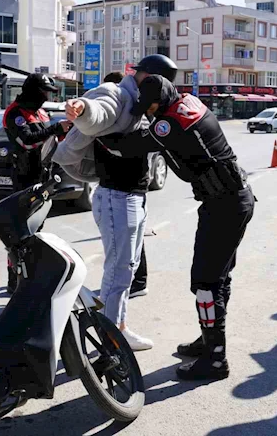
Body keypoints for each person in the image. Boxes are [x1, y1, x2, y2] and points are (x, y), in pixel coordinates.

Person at [96, 74, 255, 381]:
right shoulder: (188, 103)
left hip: (225, 205)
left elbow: (129, 147)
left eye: (150, 106)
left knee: (207, 283)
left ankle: (216, 358)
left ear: (161, 101)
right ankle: (209, 341)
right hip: (229, 200)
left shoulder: (169, 123)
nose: (148, 111)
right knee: (216, 279)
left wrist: (97, 132)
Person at [62, 59, 177, 351]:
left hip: (134, 197)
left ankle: (119, 327)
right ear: (146, 77)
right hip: (116, 197)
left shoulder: (142, 104)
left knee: (128, 268)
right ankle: (110, 339)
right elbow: (99, 111)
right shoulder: (117, 94)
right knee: (118, 271)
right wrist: (83, 109)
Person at [2, 73, 70, 292]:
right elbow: (27, 141)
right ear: (33, 91)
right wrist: (55, 129)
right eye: (44, 92)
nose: (46, 97)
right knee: (21, 232)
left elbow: (49, 140)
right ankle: (15, 279)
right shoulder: (15, 113)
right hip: (24, 178)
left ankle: (32, 274)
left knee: (38, 230)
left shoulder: (40, 112)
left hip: (43, 177)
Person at [101, 71, 150, 300]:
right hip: (132, 189)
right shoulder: (132, 116)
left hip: (125, 190)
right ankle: (136, 281)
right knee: (129, 247)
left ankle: (135, 283)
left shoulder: (128, 118)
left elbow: (120, 147)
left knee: (123, 254)